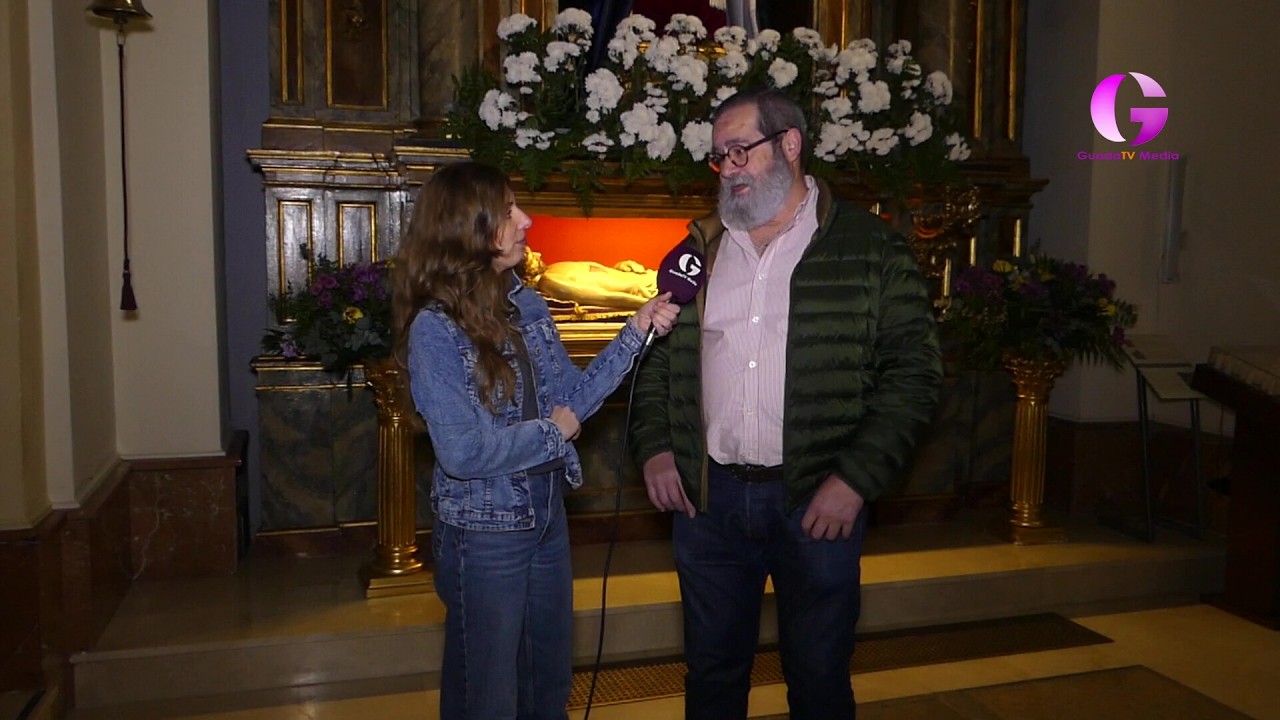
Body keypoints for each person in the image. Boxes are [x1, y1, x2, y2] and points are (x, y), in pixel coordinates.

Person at [629, 88, 942, 719]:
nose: (728, 167)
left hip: (816, 500)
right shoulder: (697, 250)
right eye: (719, 157)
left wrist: (854, 480)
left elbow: (915, 374)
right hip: (709, 501)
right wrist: (657, 448)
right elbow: (655, 361)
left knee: (820, 677)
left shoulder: (870, 248)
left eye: (740, 150)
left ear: (791, 145)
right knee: (712, 675)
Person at [391, 161, 679, 720]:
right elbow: (463, 451)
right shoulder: (434, 330)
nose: (525, 220)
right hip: (485, 532)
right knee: (489, 695)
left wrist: (635, 332)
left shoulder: (524, 302)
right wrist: (554, 431)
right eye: (507, 211)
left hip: (547, 514)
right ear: (468, 231)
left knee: (548, 686)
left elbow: (571, 396)